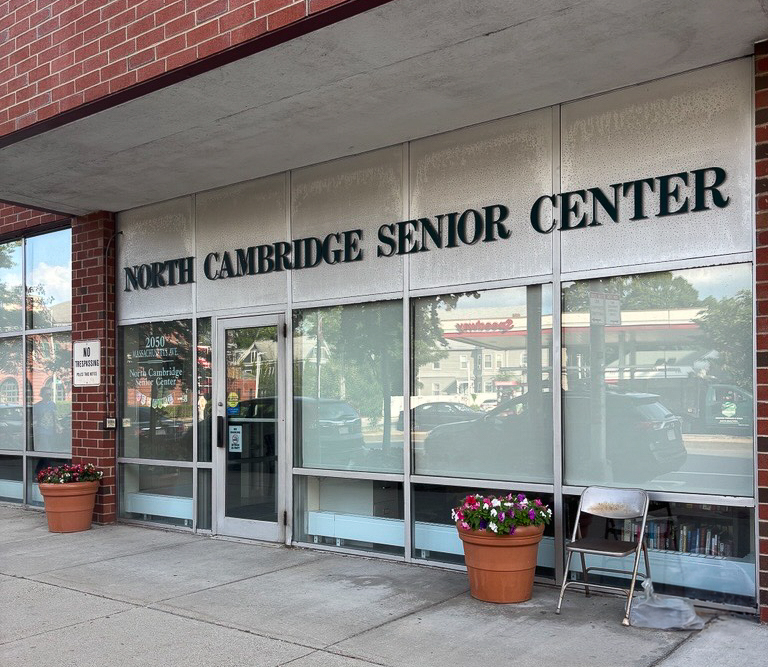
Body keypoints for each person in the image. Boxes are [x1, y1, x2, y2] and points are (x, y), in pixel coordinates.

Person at [32, 386, 60, 451]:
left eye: (50, 394)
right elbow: (33, 418)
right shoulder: (37, 406)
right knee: (46, 448)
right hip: (42, 431)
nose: (49, 396)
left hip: (52, 431)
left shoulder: (52, 404)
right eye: (47, 394)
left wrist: (58, 427)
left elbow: (55, 417)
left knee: (51, 448)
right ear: (42, 395)